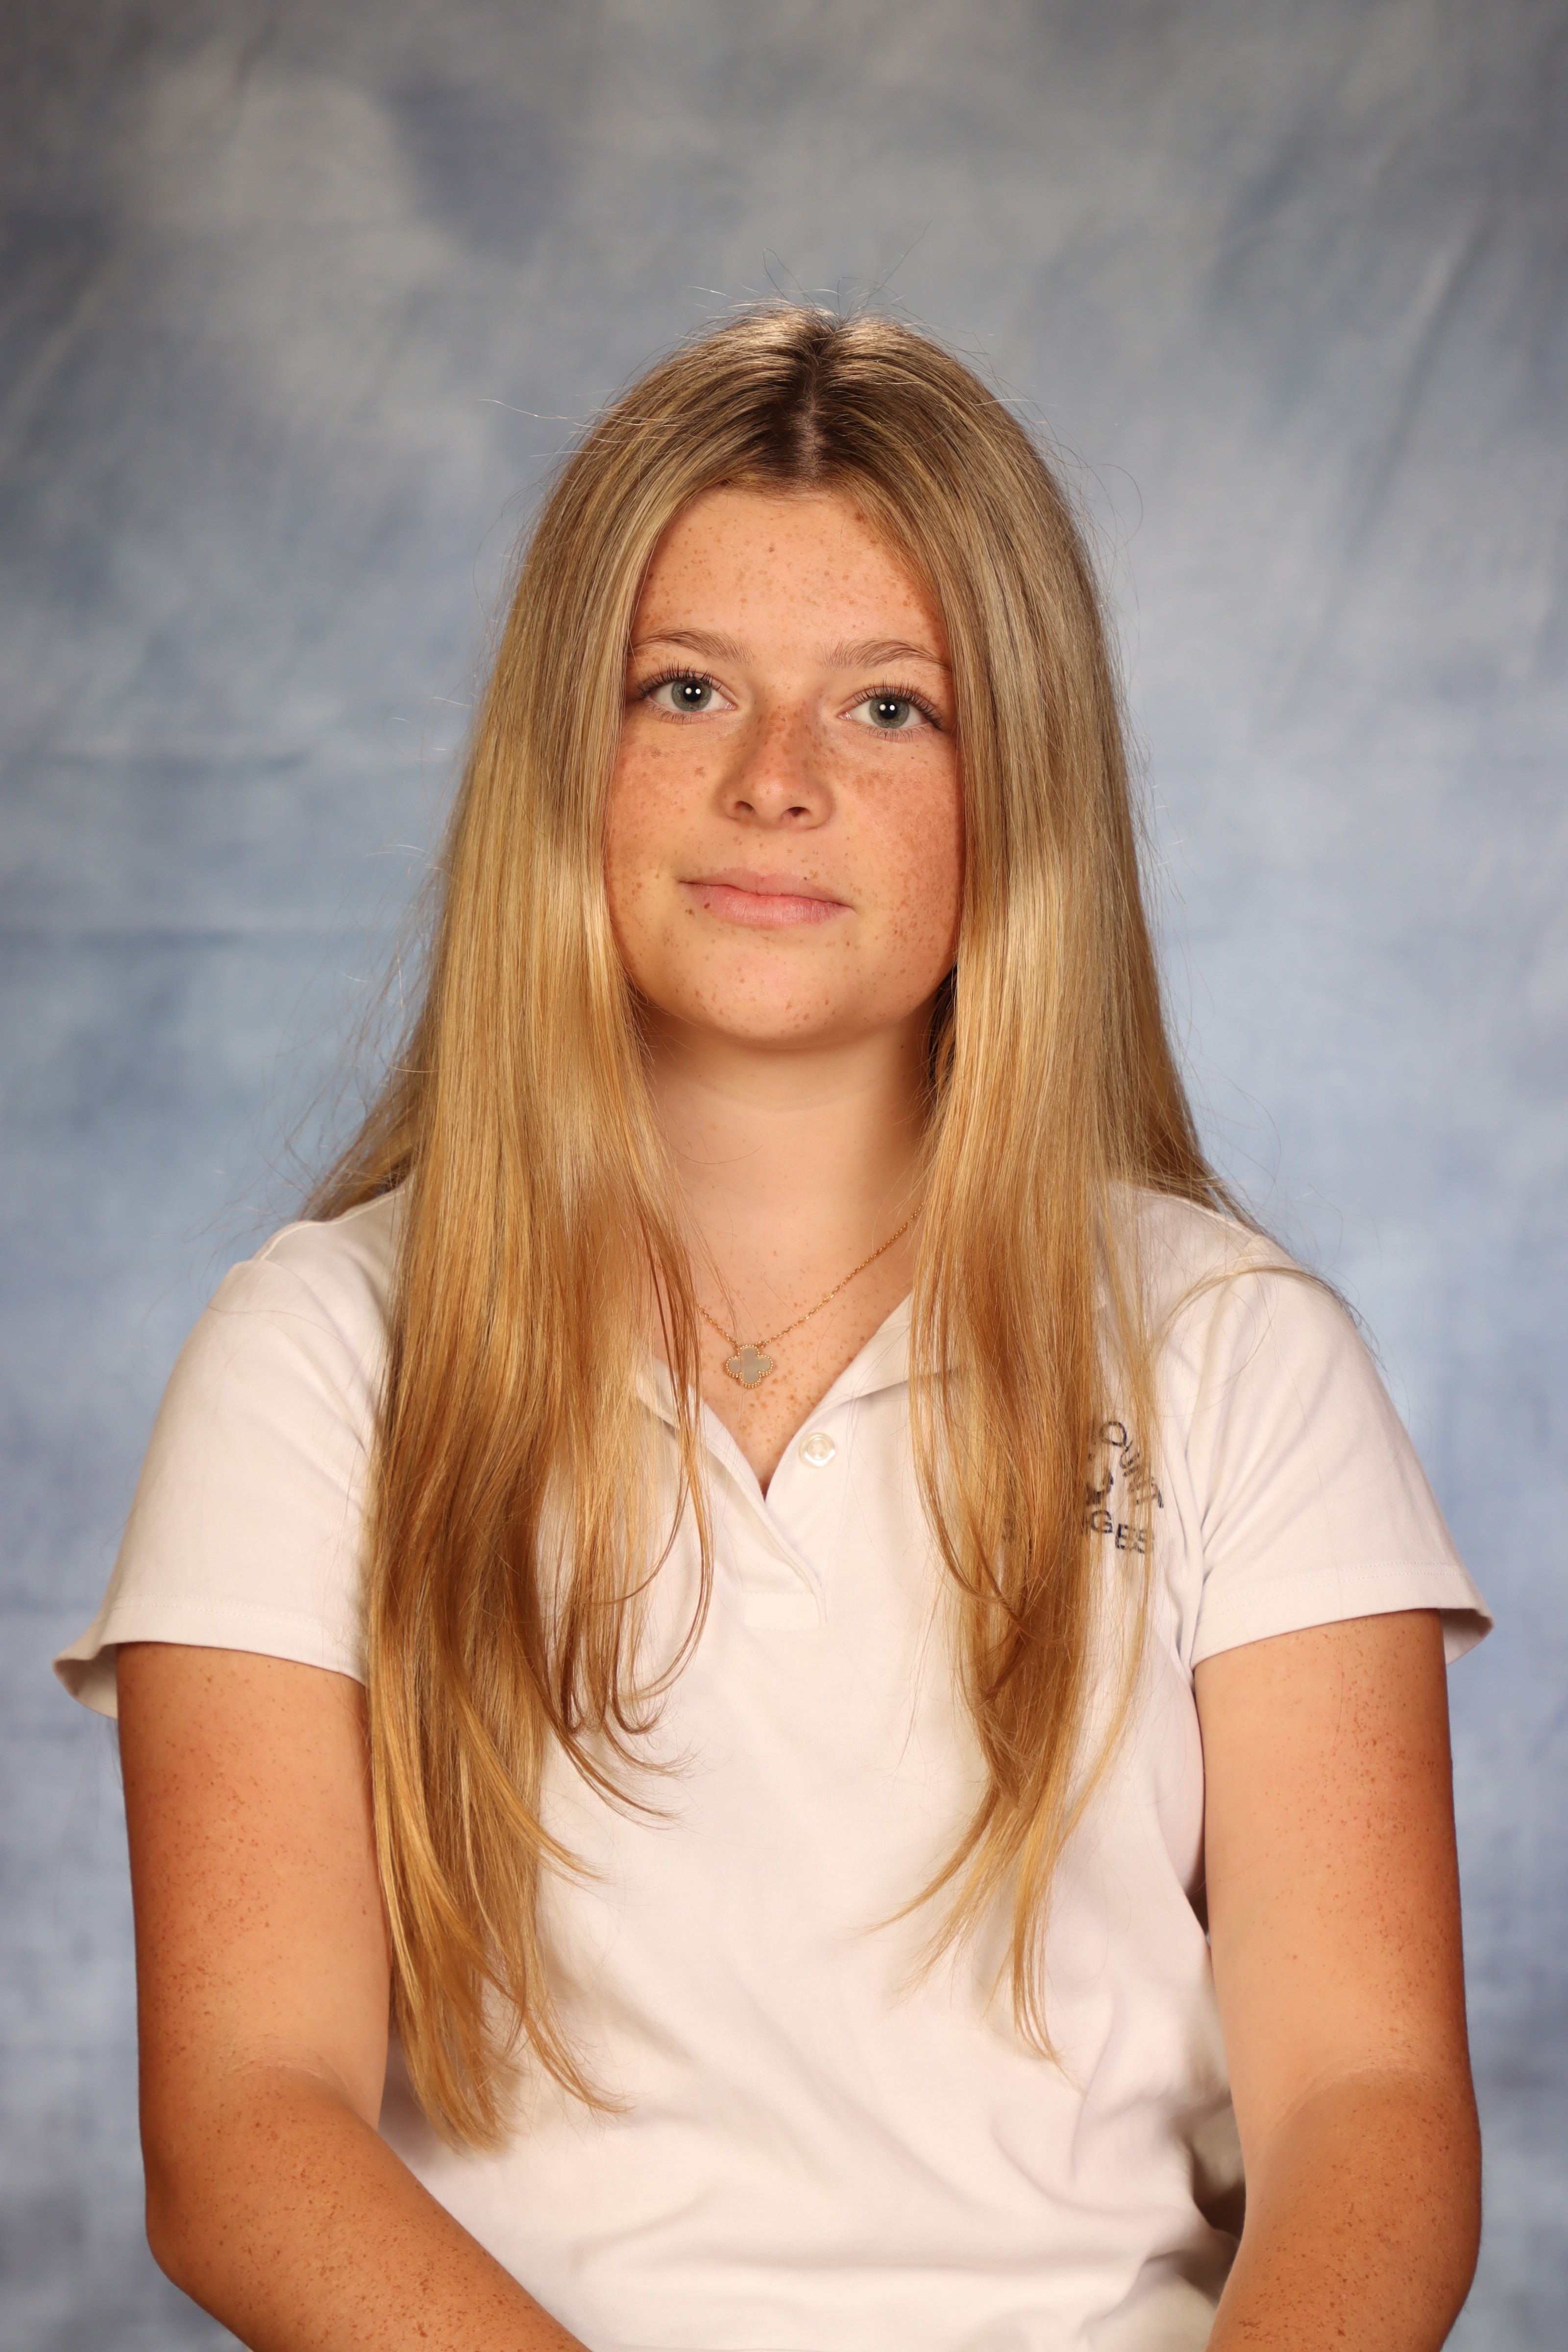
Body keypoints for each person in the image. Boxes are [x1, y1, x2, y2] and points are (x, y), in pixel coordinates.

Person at [58, 306, 1490, 2352]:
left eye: (890, 707)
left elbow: (1369, 2105)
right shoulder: (318, 1358)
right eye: (686, 688)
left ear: (1021, 789)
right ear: (567, 758)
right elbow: (243, 2130)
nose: (775, 783)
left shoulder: (1235, 1357)